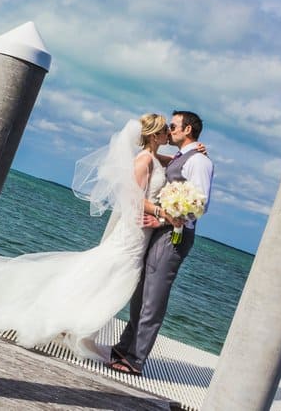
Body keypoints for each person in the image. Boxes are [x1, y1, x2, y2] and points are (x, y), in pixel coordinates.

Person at [0, 113, 178, 360]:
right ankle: (75, 328)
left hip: (140, 234)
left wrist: (186, 155)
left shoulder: (152, 158)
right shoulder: (143, 161)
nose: (169, 133)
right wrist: (160, 213)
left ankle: (78, 326)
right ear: (155, 135)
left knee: (103, 276)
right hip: (133, 232)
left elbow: (166, 160)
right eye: (166, 130)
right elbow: (132, 198)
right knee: (113, 276)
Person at [110, 110, 214, 375]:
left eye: (174, 125)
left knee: (153, 298)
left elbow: (198, 204)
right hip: (162, 229)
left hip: (175, 234)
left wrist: (164, 220)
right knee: (142, 292)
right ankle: (125, 346)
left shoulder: (199, 162)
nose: (170, 129)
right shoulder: (182, 157)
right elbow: (160, 162)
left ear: (188, 129)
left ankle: (135, 359)